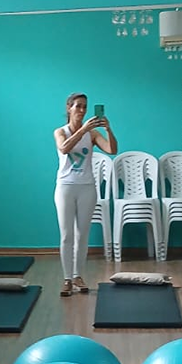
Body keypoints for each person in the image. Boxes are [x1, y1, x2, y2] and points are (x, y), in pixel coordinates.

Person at [53, 92, 117, 297]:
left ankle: (78, 276)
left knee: (82, 234)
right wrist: (83, 130)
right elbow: (64, 148)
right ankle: (67, 279)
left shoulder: (92, 134)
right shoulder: (60, 131)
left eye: (84, 107)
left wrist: (107, 129)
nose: (82, 110)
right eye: (78, 106)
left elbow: (112, 150)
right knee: (67, 235)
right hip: (65, 187)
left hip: (87, 187)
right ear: (69, 108)